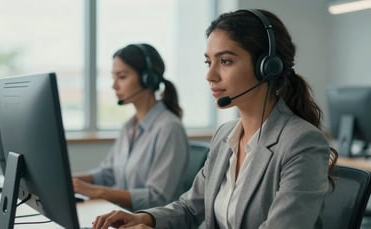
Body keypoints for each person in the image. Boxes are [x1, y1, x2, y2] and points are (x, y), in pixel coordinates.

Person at [91, 9, 338, 229]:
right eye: (209, 62)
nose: (210, 75)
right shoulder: (225, 136)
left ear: (267, 66)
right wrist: (146, 218)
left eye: (226, 61)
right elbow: (190, 207)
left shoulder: (302, 142)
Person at [72, 43, 189, 212]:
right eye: (113, 77)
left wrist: (97, 191)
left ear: (147, 78)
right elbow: (109, 173)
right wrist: (71, 181)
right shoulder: (129, 126)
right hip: (123, 217)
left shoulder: (169, 128)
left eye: (122, 76)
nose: (114, 86)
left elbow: (157, 198)